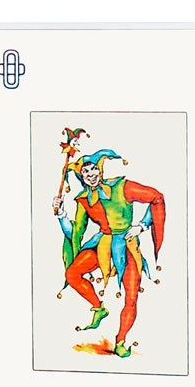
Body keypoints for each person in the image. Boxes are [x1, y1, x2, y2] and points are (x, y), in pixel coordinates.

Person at [53, 149, 165, 358]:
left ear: (100, 169)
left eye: (93, 169)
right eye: (85, 172)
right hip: (102, 243)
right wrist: (61, 215)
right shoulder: (84, 199)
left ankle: (120, 341)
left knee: (131, 296)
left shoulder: (122, 187)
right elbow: (75, 231)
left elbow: (156, 197)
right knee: (72, 274)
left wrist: (142, 225)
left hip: (126, 243)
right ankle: (99, 308)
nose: (91, 174)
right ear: (82, 177)